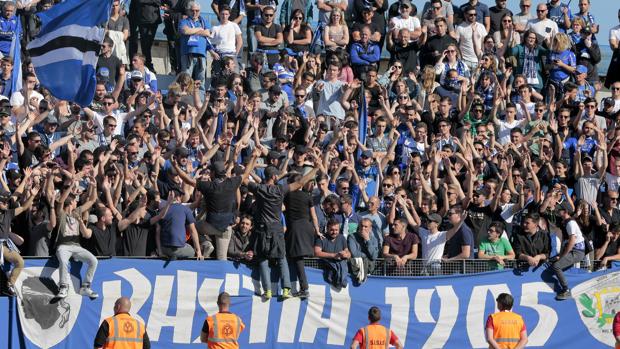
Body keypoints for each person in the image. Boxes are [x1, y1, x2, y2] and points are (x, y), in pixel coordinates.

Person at [551, 206, 586, 300]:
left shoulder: (570, 223)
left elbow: (572, 241)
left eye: (559, 210)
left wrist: (562, 256)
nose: (557, 212)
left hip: (577, 252)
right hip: (576, 251)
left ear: (565, 211)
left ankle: (566, 290)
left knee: (556, 266)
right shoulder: (568, 222)